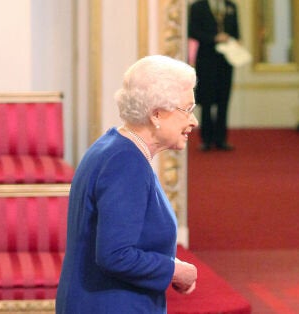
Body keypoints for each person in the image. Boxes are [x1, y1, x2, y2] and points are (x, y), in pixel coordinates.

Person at [56, 55, 199, 313]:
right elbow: (115, 254)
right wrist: (174, 270)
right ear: (157, 113)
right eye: (187, 110)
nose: (194, 121)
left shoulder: (113, 147)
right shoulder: (125, 162)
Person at [188, 0, 240, 151]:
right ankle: (206, 139)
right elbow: (192, 31)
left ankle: (221, 139)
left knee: (224, 99)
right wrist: (214, 38)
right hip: (206, 60)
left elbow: (236, 33)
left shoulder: (231, 6)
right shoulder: (198, 7)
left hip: (226, 61)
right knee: (206, 99)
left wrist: (230, 39)